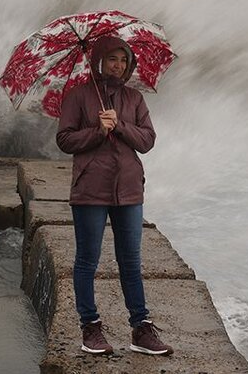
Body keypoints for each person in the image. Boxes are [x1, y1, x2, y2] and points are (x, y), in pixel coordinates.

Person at [55, 35, 173, 357]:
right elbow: (64, 140)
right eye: (112, 59)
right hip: (91, 189)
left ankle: (140, 328)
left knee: (131, 262)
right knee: (87, 261)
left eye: (124, 61)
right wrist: (98, 130)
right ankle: (90, 327)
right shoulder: (78, 96)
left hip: (130, 190)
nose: (118, 66)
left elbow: (147, 140)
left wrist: (119, 126)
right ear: (99, 61)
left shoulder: (134, 99)